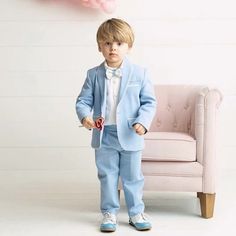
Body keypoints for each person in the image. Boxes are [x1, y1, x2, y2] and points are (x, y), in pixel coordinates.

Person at [75, 18, 156, 232]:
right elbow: (83, 101)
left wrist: (142, 122)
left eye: (119, 43)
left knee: (133, 177)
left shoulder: (140, 73)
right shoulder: (93, 74)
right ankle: (109, 213)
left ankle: (136, 212)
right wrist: (86, 118)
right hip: (105, 135)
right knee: (107, 176)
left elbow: (149, 102)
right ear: (99, 46)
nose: (113, 48)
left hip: (131, 134)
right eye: (107, 43)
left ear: (129, 46)